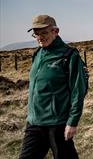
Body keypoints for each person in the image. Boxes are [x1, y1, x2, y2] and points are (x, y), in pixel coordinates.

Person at [19, 15, 87, 159]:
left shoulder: (69, 55)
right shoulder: (37, 54)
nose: (40, 37)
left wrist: (73, 121)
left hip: (58, 124)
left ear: (55, 31)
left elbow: (78, 90)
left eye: (44, 32)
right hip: (34, 123)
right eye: (36, 33)